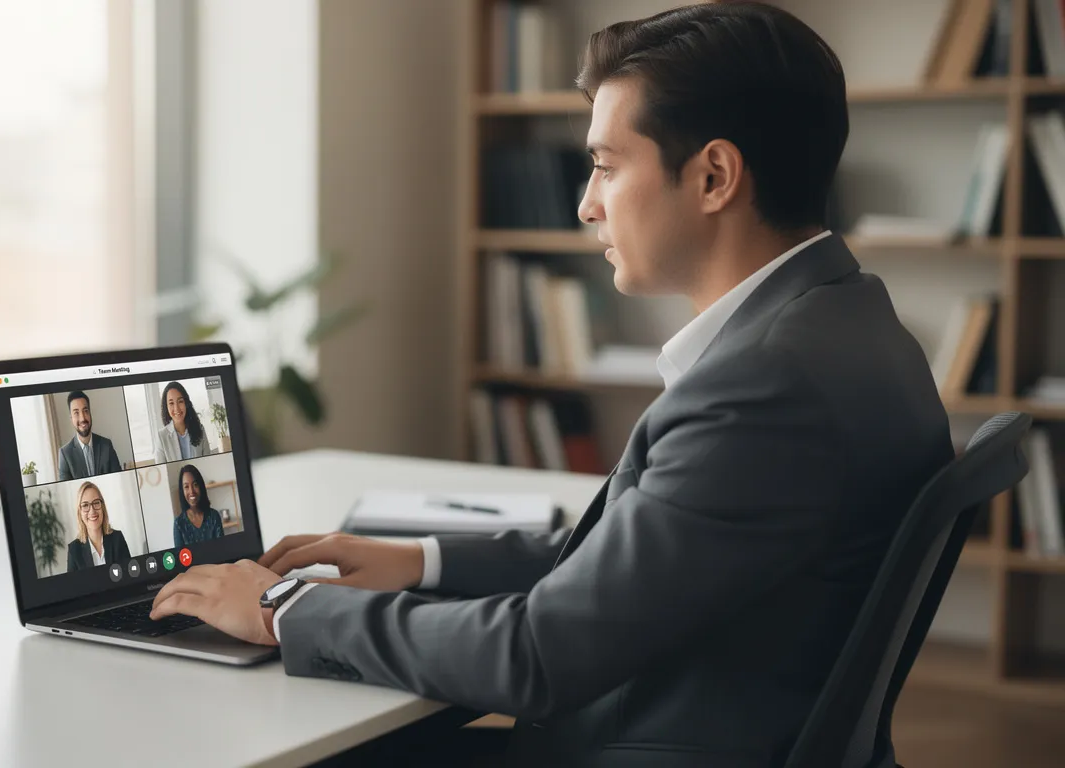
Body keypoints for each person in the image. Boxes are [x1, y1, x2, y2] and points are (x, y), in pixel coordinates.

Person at [146, 4, 954, 765]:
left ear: (713, 177)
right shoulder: (853, 326)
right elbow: (631, 568)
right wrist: (415, 560)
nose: (586, 205)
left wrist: (280, 607)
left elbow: (539, 655)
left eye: (605, 167)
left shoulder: (765, 390)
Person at [56, 390, 122, 481]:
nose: (82, 418)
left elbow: (118, 479)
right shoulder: (65, 454)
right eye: (76, 413)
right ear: (71, 418)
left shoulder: (107, 445)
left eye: (85, 411)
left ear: (90, 413)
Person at [65, 481, 130, 572]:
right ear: (79, 512)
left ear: (102, 507)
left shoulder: (117, 538)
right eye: (85, 505)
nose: (92, 511)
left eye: (96, 503)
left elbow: (129, 578)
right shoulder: (74, 550)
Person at [153, 381, 217, 463]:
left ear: (186, 403)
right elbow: (162, 472)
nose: (176, 408)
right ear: (166, 407)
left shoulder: (200, 430)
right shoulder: (161, 437)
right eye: (171, 403)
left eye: (180, 401)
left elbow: (209, 463)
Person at [172, 463, 225, 547]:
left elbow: (223, 549)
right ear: (182, 491)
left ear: (201, 487)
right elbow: (181, 558)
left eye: (195, 485)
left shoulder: (214, 516)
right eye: (186, 487)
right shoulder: (179, 523)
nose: (191, 491)